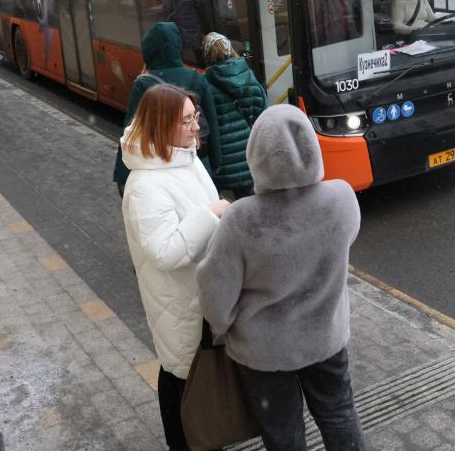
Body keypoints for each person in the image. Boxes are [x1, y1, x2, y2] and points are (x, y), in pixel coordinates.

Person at [197, 105, 364, 451]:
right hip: (325, 338)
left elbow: (215, 294)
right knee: (339, 414)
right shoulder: (342, 199)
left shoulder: (240, 220)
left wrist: (225, 326)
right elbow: (345, 241)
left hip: (264, 352)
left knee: (284, 434)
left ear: (255, 155)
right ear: (311, 146)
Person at [120, 84, 230, 451]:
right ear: (162, 125)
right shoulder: (143, 186)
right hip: (177, 303)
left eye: (194, 116)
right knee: (181, 374)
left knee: (197, 378)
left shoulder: (184, 156)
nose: (196, 126)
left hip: (199, 297)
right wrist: (213, 213)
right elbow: (165, 251)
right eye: (186, 121)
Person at [113, 22, 221, 195]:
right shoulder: (197, 78)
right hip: (197, 161)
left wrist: (123, 174)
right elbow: (212, 123)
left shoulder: (143, 84)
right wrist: (216, 162)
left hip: (160, 161)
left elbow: (132, 128)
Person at [202, 33, 268, 198]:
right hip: (250, 159)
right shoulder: (250, 77)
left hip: (224, 166)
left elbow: (208, 128)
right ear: (230, 50)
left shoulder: (206, 86)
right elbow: (263, 118)